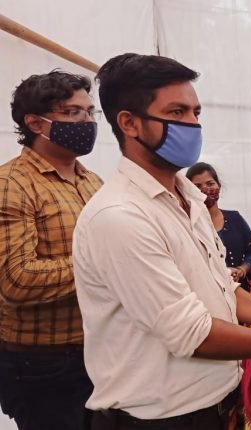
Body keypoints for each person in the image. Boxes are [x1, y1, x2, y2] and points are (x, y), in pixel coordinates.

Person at [73, 53, 251, 430]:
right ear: (129, 123)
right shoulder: (120, 216)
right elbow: (191, 333)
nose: (193, 124)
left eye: (196, 112)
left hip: (217, 407)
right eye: (177, 112)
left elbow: (224, 290)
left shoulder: (190, 199)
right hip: (157, 420)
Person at [0, 70, 102, 430]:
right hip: (43, 365)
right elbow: (17, 280)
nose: (87, 121)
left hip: (99, 350)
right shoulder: (11, 184)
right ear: (35, 123)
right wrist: (102, 267)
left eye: (90, 112)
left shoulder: (93, 182)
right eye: (73, 112)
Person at [187, 162, 251, 287]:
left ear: (219, 185)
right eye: (197, 186)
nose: (205, 189)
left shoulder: (235, 219)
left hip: (242, 291)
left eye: (210, 184)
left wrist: (242, 270)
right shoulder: (188, 225)